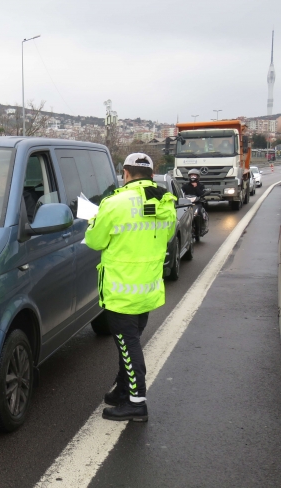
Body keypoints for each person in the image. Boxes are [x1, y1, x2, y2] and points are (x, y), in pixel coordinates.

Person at [85, 153, 177, 422]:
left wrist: (93, 222)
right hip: (147, 288)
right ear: (151, 172)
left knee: (128, 346)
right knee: (128, 343)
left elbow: (94, 240)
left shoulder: (114, 203)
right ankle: (124, 390)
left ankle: (137, 403)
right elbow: (168, 235)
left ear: (125, 173)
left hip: (122, 291)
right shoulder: (164, 201)